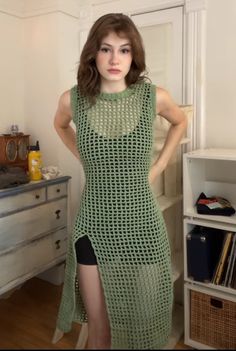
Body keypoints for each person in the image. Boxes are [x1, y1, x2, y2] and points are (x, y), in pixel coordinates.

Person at [53, 13, 187, 350]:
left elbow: (180, 122)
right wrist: (84, 156)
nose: (115, 59)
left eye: (124, 50)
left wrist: (156, 168)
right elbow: (59, 125)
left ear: (134, 55)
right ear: (92, 54)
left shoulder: (152, 96)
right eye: (106, 49)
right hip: (93, 226)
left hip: (140, 224)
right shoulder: (74, 100)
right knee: (100, 330)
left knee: (140, 323)